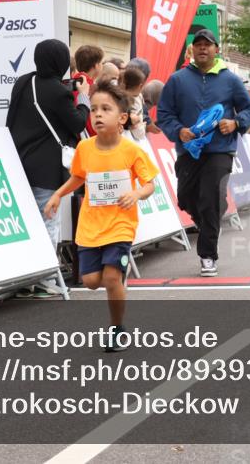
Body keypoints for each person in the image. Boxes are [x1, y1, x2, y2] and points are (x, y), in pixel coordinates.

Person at [43, 82, 158, 352]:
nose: (97, 114)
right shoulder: (85, 148)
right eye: (93, 109)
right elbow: (77, 177)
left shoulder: (132, 151)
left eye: (105, 109)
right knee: (92, 281)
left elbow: (150, 183)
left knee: (109, 279)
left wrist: (136, 193)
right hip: (91, 227)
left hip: (120, 224)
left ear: (122, 118)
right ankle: (119, 271)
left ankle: (117, 329)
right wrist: (58, 194)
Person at [157, 29, 250, 277]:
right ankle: (209, 224)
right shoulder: (178, 80)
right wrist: (179, 131)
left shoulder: (230, 79)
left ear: (216, 50)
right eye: (198, 45)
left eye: (207, 45)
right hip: (188, 151)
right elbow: (164, 114)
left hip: (220, 149)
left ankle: (208, 255)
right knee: (186, 198)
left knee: (210, 198)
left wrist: (235, 123)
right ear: (192, 50)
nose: (203, 48)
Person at [6, 39, 91, 297]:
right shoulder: (58, 91)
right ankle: (44, 277)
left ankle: (25, 279)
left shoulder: (23, 82)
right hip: (47, 168)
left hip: (19, 163)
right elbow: (77, 123)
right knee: (48, 221)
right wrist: (84, 96)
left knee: (27, 222)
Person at [73, 45, 103, 136]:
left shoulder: (72, 83)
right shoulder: (92, 88)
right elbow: (92, 120)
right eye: (101, 62)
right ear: (96, 65)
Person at [121, 64, 148, 140]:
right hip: (130, 138)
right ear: (140, 86)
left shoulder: (119, 97)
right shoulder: (133, 102)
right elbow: (138, 132)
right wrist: (142, 127)